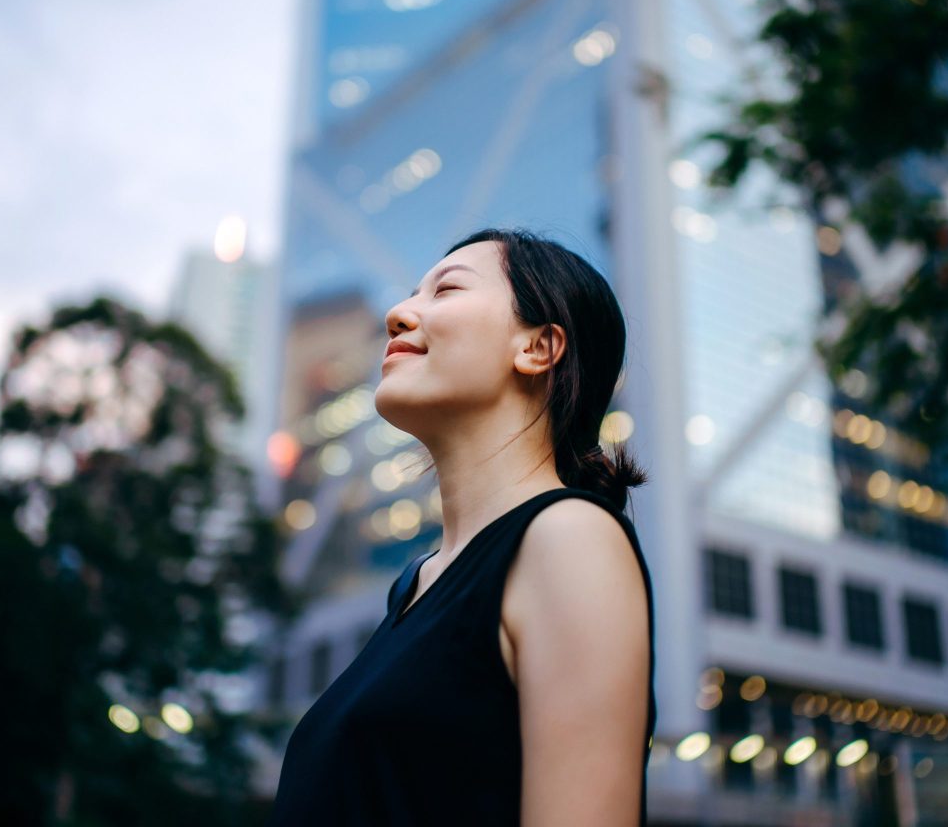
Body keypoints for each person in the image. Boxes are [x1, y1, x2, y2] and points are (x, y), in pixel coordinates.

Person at [268, 227, 657, 827]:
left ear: (537, 348)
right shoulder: (414, 585)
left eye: (445, 290)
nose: (398, 314)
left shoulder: (569, 538)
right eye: (410, 294)